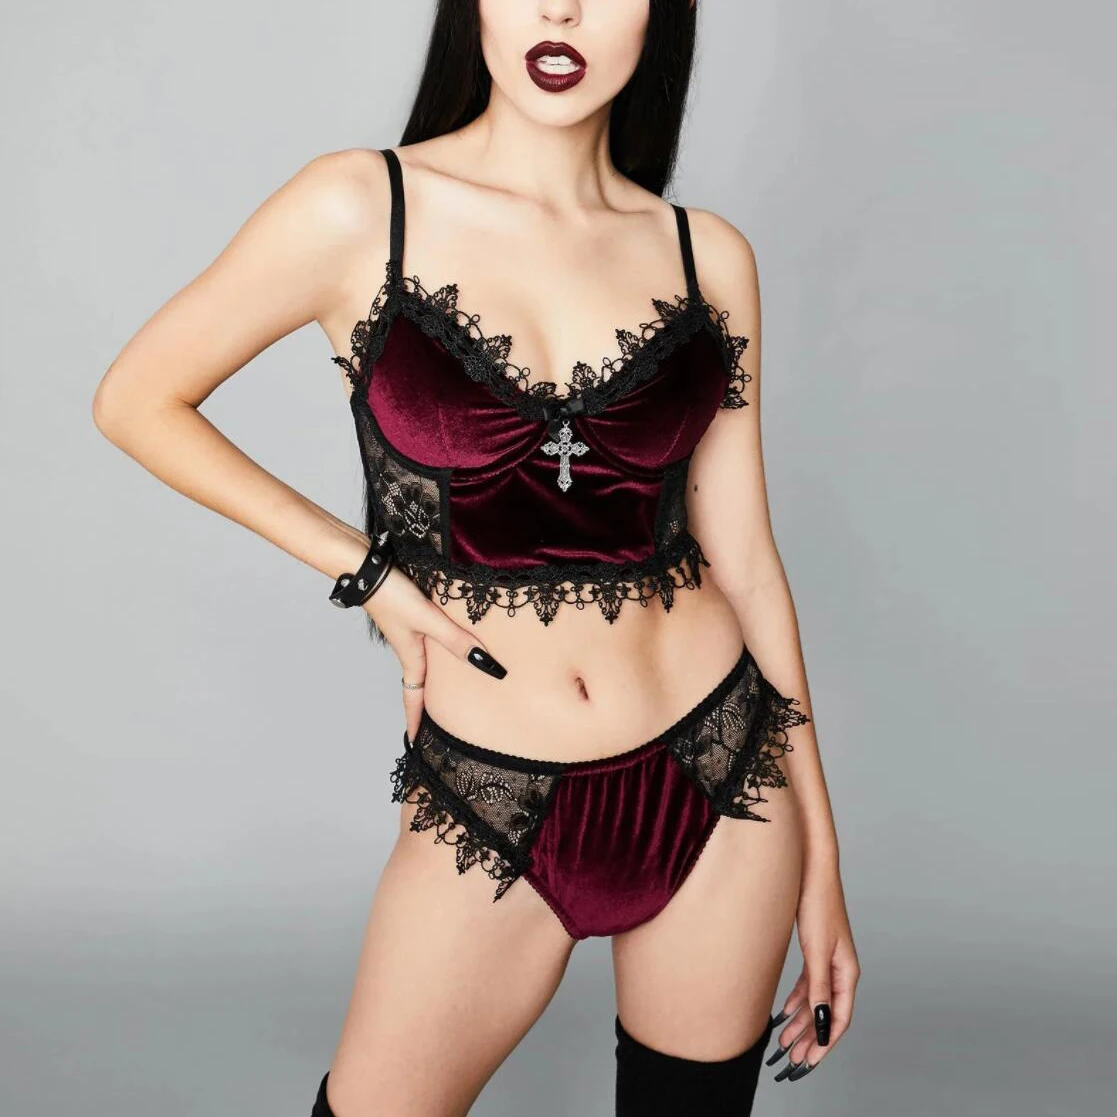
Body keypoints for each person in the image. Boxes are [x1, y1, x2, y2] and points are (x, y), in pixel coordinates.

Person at [92, 1, 859, 1113]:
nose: (560, 9)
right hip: (487, 792)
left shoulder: (708, 256)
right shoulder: (360, 208)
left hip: (724, 771)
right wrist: (368, 574)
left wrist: (823, 863)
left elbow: (745, 560)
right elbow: (135, 399)